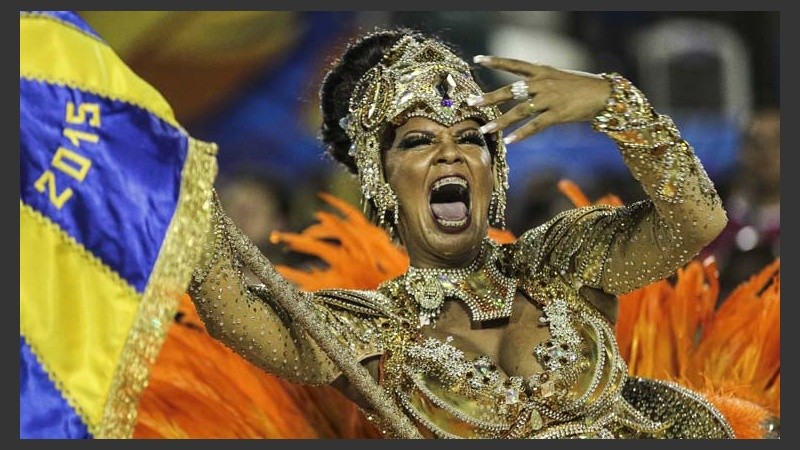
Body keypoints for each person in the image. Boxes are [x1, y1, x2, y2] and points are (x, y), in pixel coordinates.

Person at [187, 28, 752, 439]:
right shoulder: (371, 330)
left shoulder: (561, 261)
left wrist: (615, 103)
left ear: (494, 169)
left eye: (470, 138)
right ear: (383, 178)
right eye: (418, 141)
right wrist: (183, 194)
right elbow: (237, 313)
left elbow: (697, 220)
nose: (450, 153)